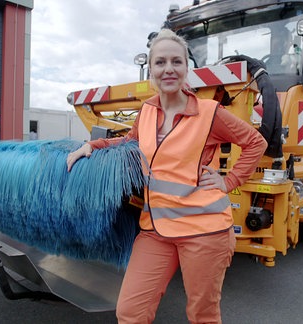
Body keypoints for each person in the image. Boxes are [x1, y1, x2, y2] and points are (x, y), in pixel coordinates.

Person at [66, 29, 267, 324]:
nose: (168, 69)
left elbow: (256, 142)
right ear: (152, 70)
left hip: (204, 232)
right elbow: (129, 144)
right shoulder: (146, 111)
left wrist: (230, 180)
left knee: (202, 315)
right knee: (130, 311)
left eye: (176, 61)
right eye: (160, 62)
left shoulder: (210, 112)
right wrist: (92, 146)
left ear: (187, 69)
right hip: (156, 231)